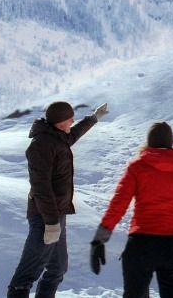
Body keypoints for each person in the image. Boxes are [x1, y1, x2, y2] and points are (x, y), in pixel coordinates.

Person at [91, 122, 173, 298]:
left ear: (149, 141)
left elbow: (118, 203)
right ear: (171, 142)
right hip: (172, 247)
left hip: (140, 245)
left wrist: (99, 240)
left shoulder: (137, 167)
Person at [7, 101, 109, 298]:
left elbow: (73, 135)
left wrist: (94, 118)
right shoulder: (41, 146)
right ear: (60, 121)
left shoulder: (57, 138)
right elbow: (41, 188)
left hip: (57, 216)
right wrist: (51, 223)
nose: (73, 120)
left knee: (57, 268)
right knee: (26, 276)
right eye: (70, 118)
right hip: (44, 217)